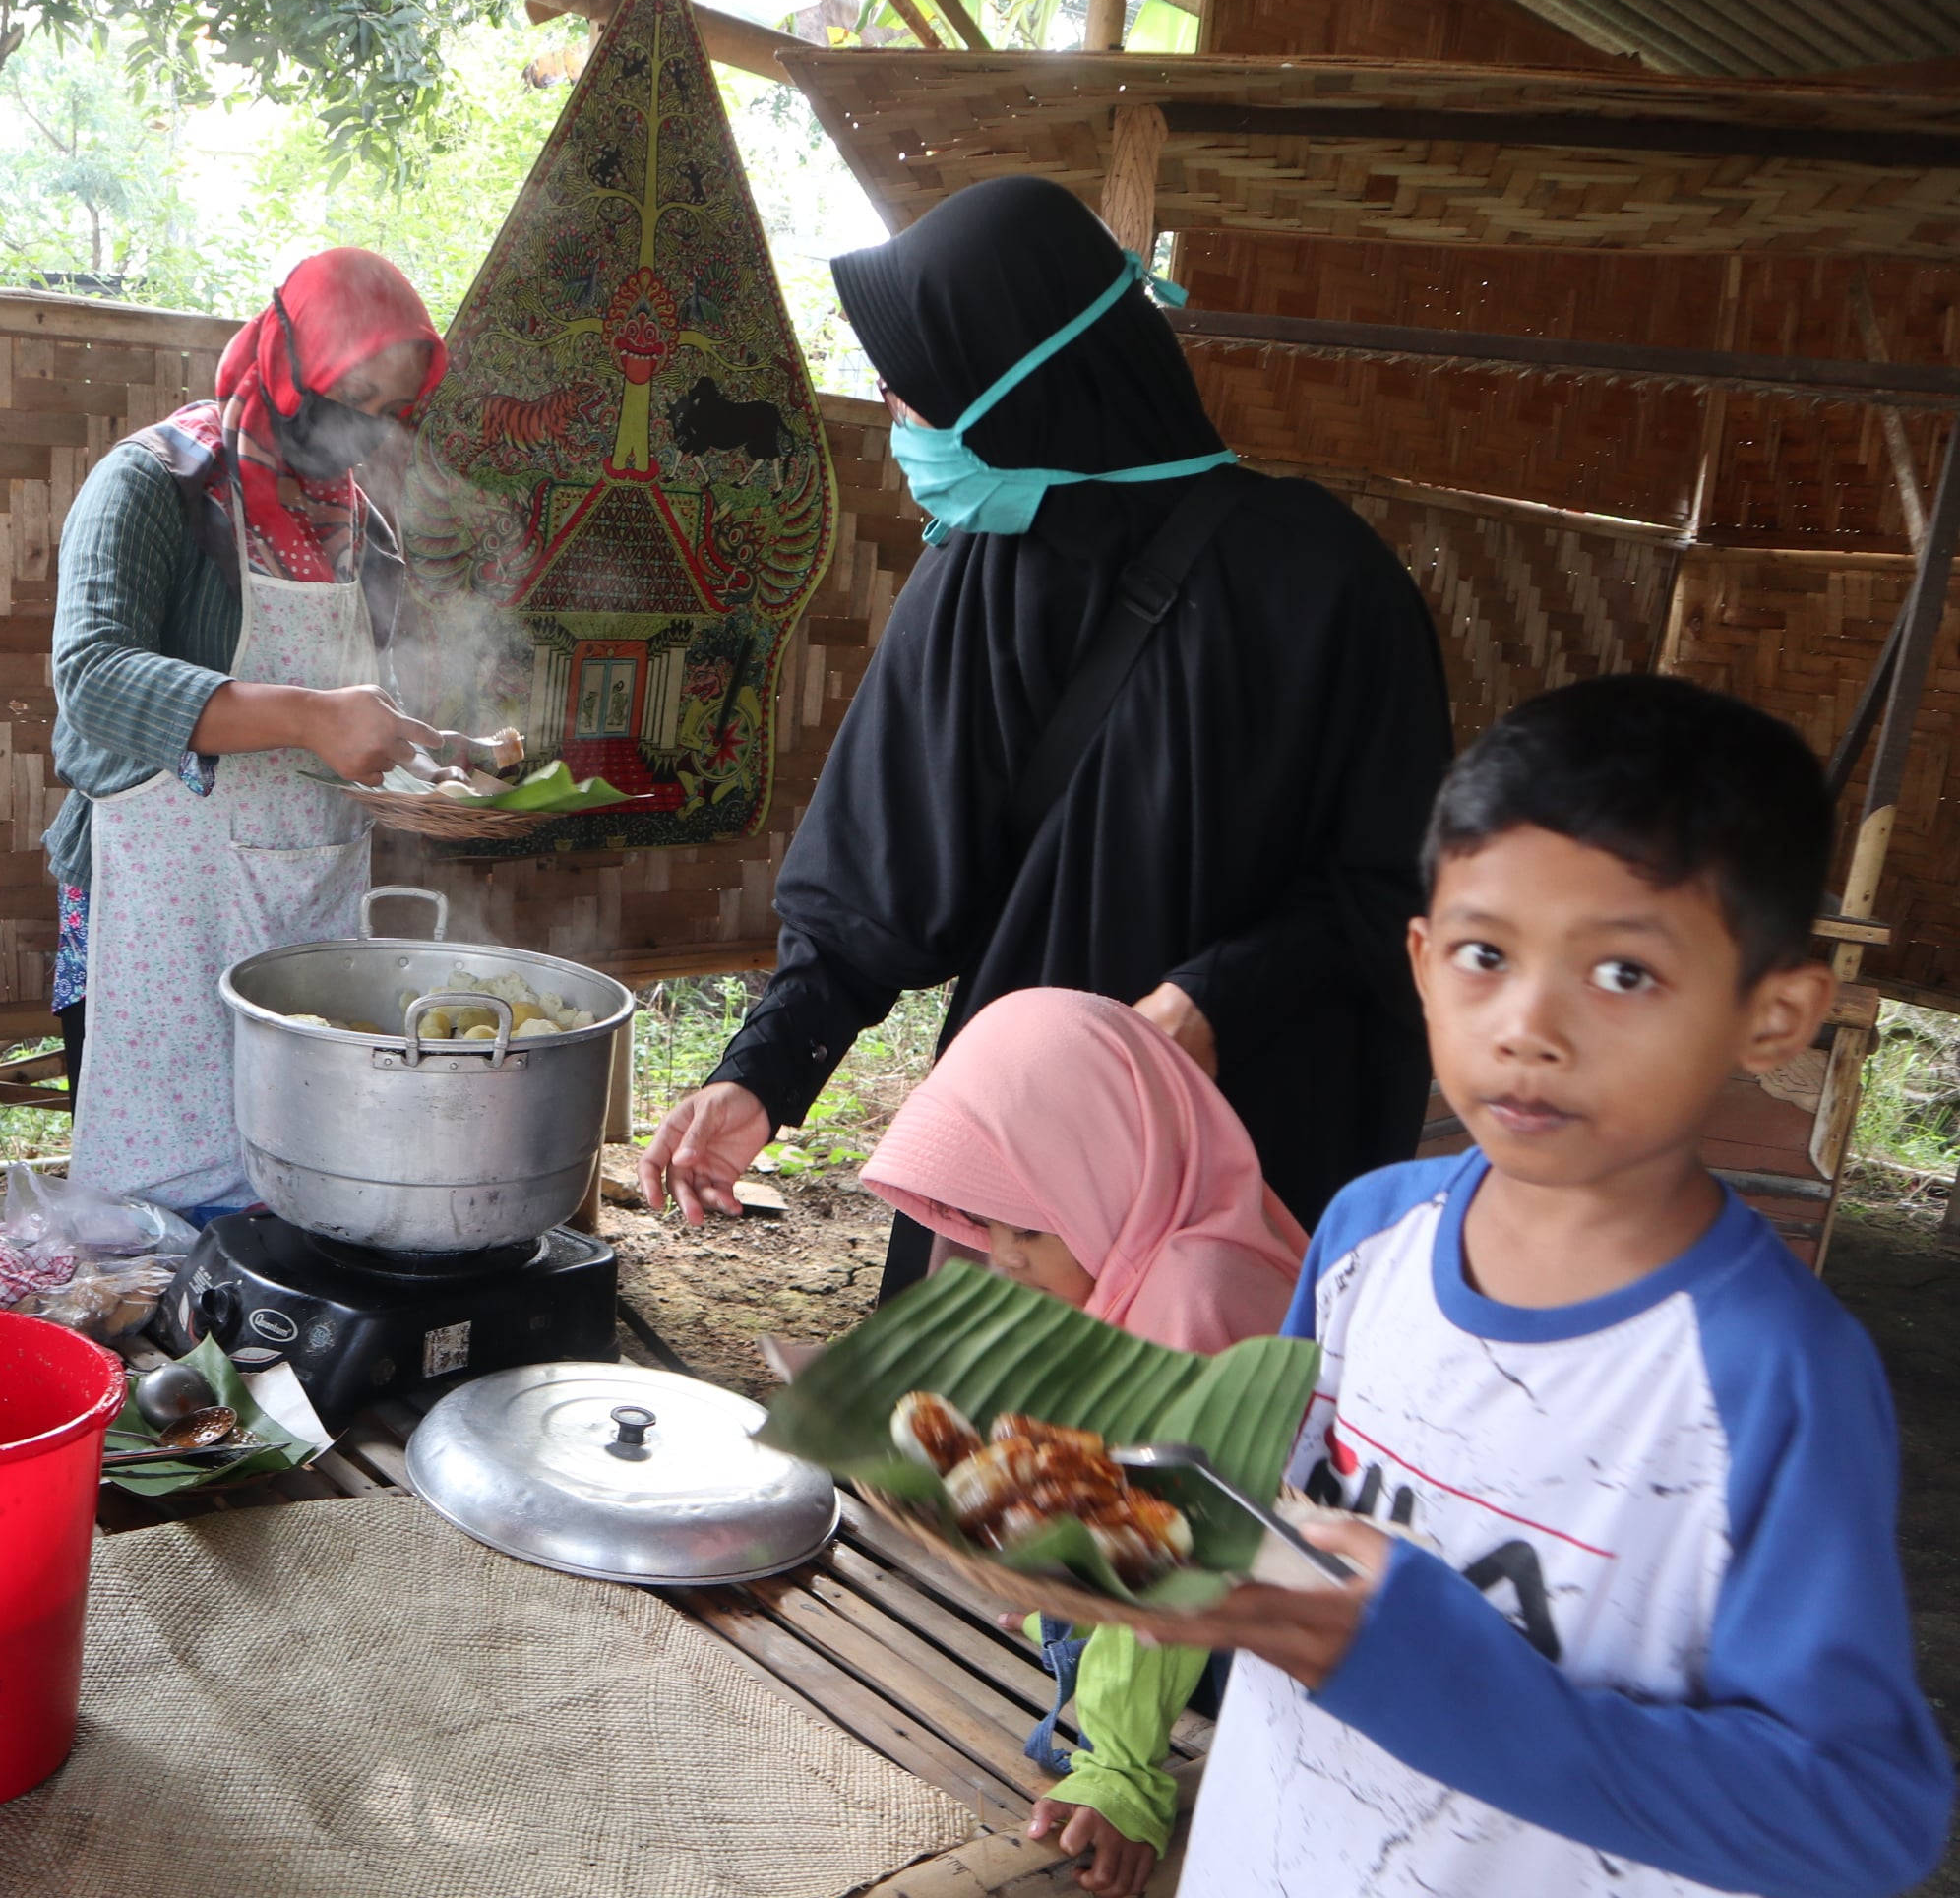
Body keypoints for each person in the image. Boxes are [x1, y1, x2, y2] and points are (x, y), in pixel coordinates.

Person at [1156, 675, 1951, 1897]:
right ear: (1422, 962)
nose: (1528, 1025)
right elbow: (1264, 1520)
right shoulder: (1369, 1234)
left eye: (1623, 972)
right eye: (1485, 954)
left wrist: (1423, 1671)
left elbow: (1858, 1818)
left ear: (1775, 1013)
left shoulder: (1771, 1373)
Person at [641, 177, 1453, 1292]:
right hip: (1015, 1183)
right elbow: (875, 887)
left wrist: (1219, 996)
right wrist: (763, 1075)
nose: (891, 401)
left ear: (1027, 382)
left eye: (918, 382)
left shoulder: (1330, 585)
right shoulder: (979, 572)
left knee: (1187, 1408)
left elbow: (1402, 883)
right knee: (977, 1411)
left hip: (1248, 1163)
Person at [859, 986, 1305, 1895]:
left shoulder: (1200, 1296)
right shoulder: (1131, 1248)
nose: (1003, 1255)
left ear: (1113, 1180)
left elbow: (1178, 1563)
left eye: (1028, 1227)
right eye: (988, 1223)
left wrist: (1120, 1770)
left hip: (1255, 1636)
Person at [49, 247, 448, 1215]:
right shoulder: (155, 482)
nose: (364, 427)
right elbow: (91, 679)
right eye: (352, 393)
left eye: (389, 408)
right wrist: (308, 718)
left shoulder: (358, 527)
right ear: (290, 358)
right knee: (157, 1215)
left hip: (308, 886)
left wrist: (433, 754)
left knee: (301, 1170)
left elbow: (367, 695)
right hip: (158, 890)